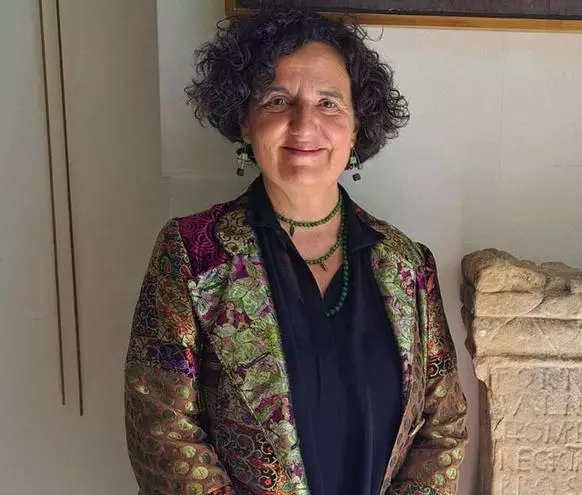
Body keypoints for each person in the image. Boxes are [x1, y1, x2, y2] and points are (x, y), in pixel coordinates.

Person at [123, 4, 467, 494]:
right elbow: (162, 429)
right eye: (277, 100)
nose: (304, 125)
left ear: (356, 126)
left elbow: (442, 426)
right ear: (245, 121)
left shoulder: (409, 264)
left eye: (329, 103)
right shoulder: (192, 254)